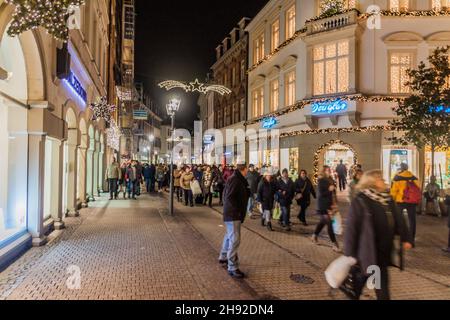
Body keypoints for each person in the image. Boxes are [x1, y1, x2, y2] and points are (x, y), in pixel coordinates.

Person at [345, 170, 412, 300]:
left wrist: (406, 238)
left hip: (382, 254)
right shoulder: (360, 201)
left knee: (380, 289)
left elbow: (399, 220)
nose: (384, 181)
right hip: (367, 254)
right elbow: (351, 229)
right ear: (372, 183)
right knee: (362, 289)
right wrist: (350, 255)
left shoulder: (387, 199)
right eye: (380, 179)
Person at [219, 164, 250, 279]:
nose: (248, 170)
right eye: (247, 168)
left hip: (231, 214)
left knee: (229, 236)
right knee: (235, 240)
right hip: (233, 215)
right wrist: (237, 212)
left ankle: (223, 256)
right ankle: (232, 267)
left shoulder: (237, 179)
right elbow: (229, 197)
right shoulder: (236, 180)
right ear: (244, 169)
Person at [390, 163, 421, 247]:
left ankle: (398, 237)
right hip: (412, 202)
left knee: (398, 219)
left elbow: (393, 191)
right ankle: (411, 240)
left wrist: (392, 200)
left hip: (400, 201)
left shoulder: (397, 177)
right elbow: (418, 188)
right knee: (412, 220)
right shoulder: (414, 177)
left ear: (401, 168)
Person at [312, 166, 340, 252]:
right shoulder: (321, 181)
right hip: (322, 206)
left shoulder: (330, 179)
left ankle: (314, 236)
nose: (329, 171)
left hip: (329, 205)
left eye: (329, 170)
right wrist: (329, 189)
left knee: (322, 222)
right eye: (327, 170)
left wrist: (335, 202)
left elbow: (333, 193)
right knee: (329, 224)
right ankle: (334, 243)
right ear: (323, 171)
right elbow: (321, 194)